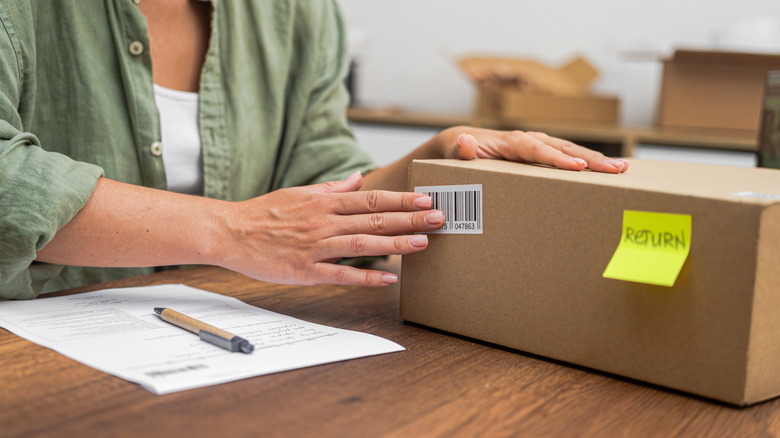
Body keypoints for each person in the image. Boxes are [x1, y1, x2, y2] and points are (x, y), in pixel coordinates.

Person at [0, 0, 628, 299]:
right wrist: (232, 229)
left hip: (227, 349)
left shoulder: (296, 13)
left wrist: (427, 164)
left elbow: (316, 179)